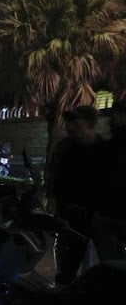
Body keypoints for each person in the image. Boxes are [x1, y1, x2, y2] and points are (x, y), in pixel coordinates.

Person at [48, 105, 105, 282]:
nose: (69, 126)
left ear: (89, 124)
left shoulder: (104, 150)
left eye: (75, 122)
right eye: (68, 122)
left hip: (98, 218)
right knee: (67, 270)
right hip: (71, 220)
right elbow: (56, 179)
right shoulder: (65, 148)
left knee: (103, 269)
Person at [92, 102, 126, 262]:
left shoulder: (111, 146)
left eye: (117, 115)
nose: (113, 119)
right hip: (109, 212)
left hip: (110, 213)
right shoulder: (109, 145)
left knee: (111, 263)